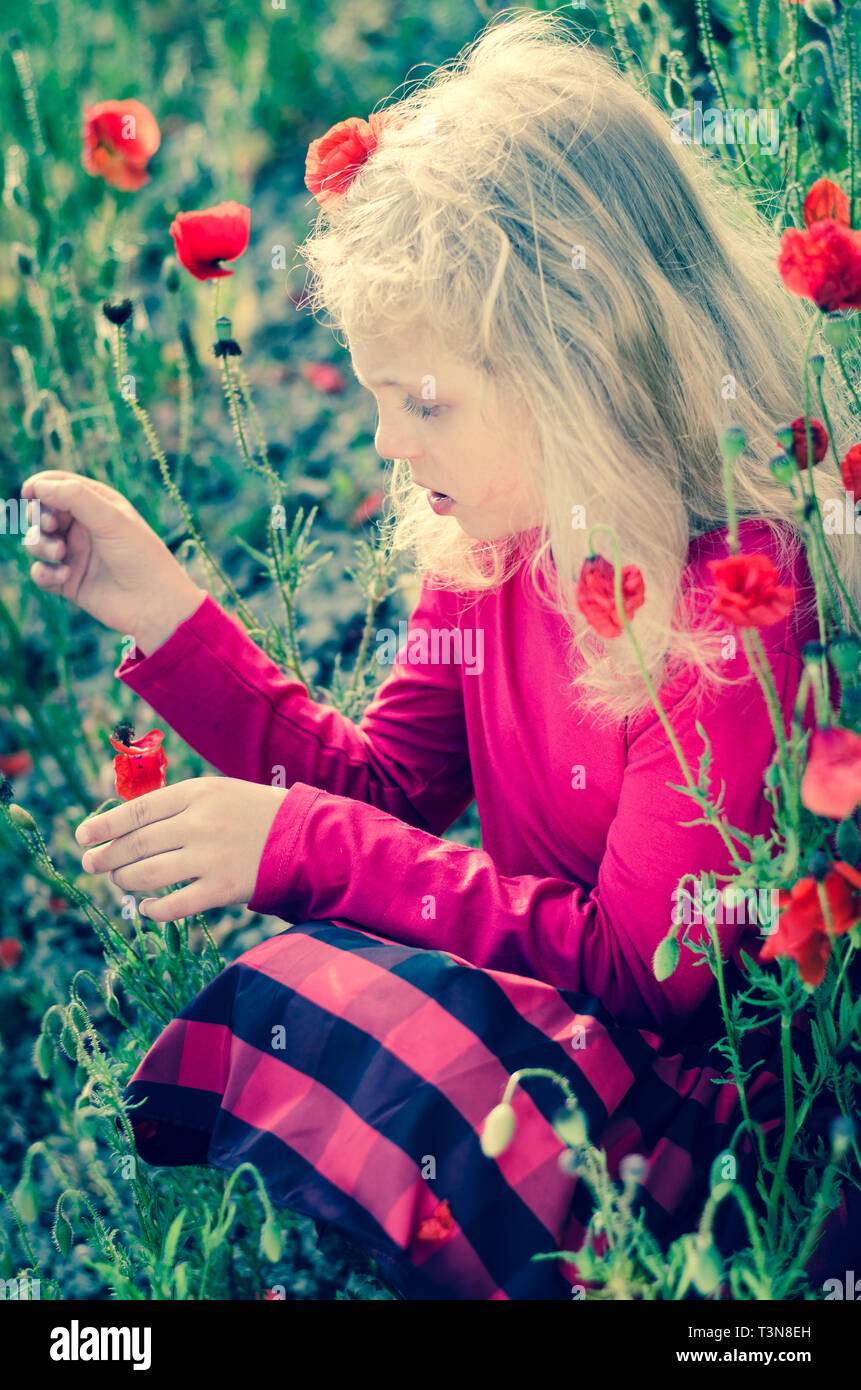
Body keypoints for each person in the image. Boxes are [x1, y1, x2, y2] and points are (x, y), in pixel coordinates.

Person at [20, 11, 861, 1299]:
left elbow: (659, 984)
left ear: (584, 371)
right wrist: (166, 613)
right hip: (559, 1032)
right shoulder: (502, 545)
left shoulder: (726, 615)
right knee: (341, 994)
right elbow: (384, 795)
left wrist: (294, 846)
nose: (387, 448)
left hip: (712, 1127)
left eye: (423, 404)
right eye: (371, 396)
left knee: (366, 1006)